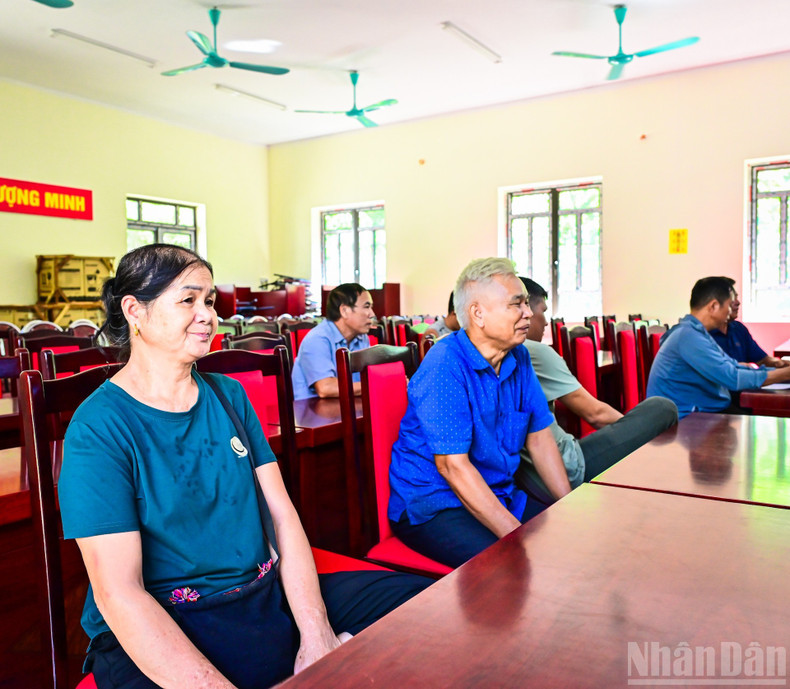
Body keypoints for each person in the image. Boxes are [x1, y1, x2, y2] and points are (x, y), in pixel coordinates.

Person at [58, 245, 429, 689]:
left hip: (256, 595)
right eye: (188, 300)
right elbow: (120, 594)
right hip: (168, 619)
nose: (207, 315)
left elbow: (281, 517)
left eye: (210, 301)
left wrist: (317, 637)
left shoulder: (227, 396)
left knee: (423, 607)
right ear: (135, 310)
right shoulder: (99, 427)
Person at [388, 257, 571, 569]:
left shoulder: (519, 357)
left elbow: (540, 440)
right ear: (478, 314)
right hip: (437, 505)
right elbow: (453, 468)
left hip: (498, 492)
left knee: (568, 539)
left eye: (526, 303)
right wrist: (517, 538)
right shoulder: (445, 363)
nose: (528, 312)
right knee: (518, 564)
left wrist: (569, 510)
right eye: (517, 303)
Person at [515, 278, 678, 504]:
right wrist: (634, 435)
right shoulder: (532, 352)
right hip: (569, 466)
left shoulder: (489, 354)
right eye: (542, 312)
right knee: (662, 407)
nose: (545, 322)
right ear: (526, 311)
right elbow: (595, 414)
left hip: (532, 475)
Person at [646, 276, 790, 418]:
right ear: (714, 306)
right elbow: (732, 378)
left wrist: (782, 372)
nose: (730, 310)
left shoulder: (698, 333)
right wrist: (785, 374)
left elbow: (731, 366)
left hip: (702, 413)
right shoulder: (688, 336)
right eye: (729, 304)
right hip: (686, 419)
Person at [291, 283, 374, 400]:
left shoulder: (361, 337)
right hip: (312, 410)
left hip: (346, 403)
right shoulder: (317, 339)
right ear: (344, 311)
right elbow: (326, 388)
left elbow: (369, 375)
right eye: (366, 307)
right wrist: (378, 384)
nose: (372, 314)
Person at [710, 278, 789, 368]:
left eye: (736, 297)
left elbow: (762, 360)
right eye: (732, 299)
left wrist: (780, 363)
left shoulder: (738, 328)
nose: (738, 302)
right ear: (714, 305)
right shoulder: (702, 334)